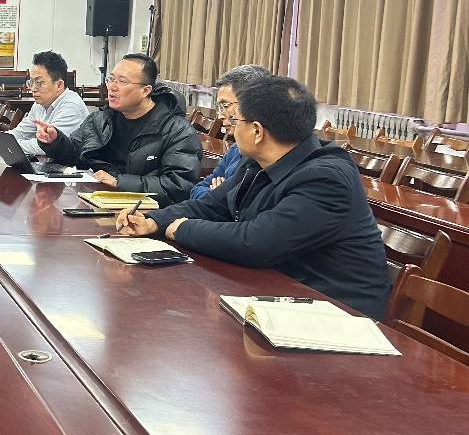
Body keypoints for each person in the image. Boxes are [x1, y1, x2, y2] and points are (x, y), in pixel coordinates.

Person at [117, 75, 391, 320]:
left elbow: (255, 242)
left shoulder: (325, 178)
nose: (230, 126)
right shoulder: (256, 162)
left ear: (258, 131)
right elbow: (211, 205)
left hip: (334, 312)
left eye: (235, 120)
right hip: (277, 291)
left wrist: (182, 229)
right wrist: (154, 221)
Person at [34, 53, 200, 204]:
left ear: (145, 90)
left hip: (144, 212)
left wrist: (119, 182)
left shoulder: (177, 131)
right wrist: (55, 141)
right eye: (111, 79)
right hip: (98, 201)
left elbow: (178, 186)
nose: (112, 87)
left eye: (122, 82)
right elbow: (76, 153)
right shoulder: (102, 119)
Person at [0, 51, 88, 155]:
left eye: (39, 82)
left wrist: (0, 146)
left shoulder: (71, 106)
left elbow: (47, 147)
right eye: (31, 82)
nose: (33, 88)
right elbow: (21, 132)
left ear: (59, 85)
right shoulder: (40, 104)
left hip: (72, 169)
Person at [189, 64, 271, 199]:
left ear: (252, 104)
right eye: (219, 107)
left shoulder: (267, 157)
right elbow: (197, 189)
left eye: (225, 106)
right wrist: (215, 195)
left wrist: (220, 196)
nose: (220, 115)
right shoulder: (236, 149)